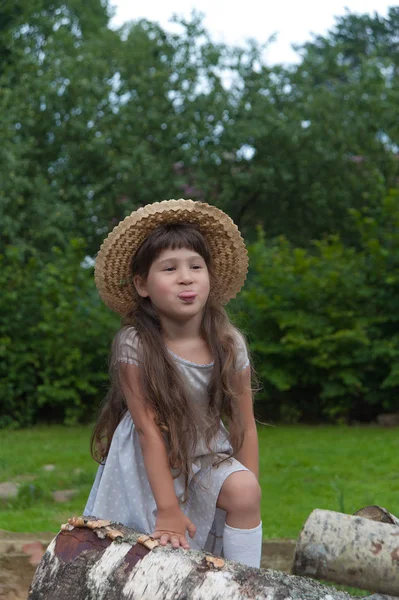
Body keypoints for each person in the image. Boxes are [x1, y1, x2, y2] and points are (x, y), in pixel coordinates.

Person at [84, 199, 262, 567]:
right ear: (142, 284)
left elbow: (244, 424)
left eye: (196, 266)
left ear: (209, 277)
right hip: (145, 463)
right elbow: (148, 429)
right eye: (169, 268)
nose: (186, 277)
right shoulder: (135, 343)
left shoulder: (229, 343)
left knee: (245, 491)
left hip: (204, 456)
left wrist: (253, 493)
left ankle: (248, 581)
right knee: (148, 560)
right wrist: (167, 508)